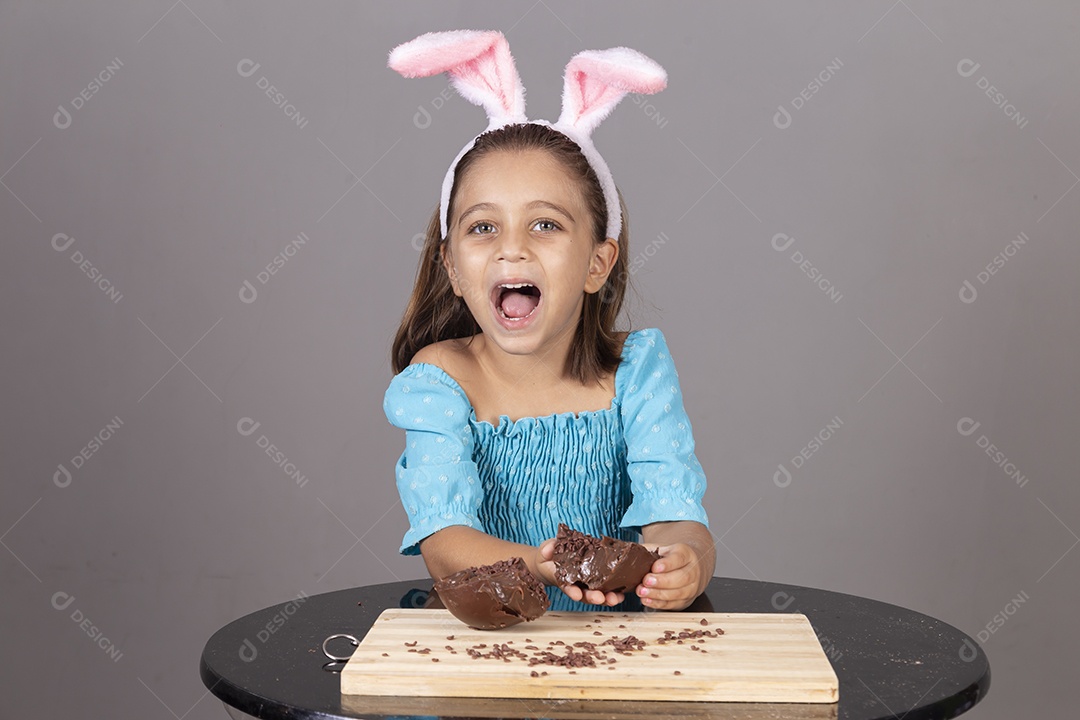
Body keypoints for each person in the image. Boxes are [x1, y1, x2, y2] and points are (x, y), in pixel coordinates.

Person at [382, 30, 715, 611]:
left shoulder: (635, 371)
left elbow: (677, 518)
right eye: (483, 227)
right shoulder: (440, 379)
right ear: (453, 268)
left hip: (615, 654)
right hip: (489, 651)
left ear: (596, 263)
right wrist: (539, 564)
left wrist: (686, 562)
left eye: (545, 225)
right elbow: (444, 541)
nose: (512, 250)